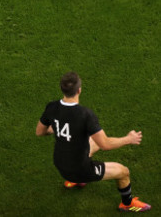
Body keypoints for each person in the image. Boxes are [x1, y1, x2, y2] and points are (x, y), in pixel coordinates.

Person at [36, 72, 151, 212]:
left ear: (62, 89)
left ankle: (74, 181)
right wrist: (129, 139)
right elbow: (106, 144)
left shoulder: (52, 107)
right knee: (123, 172)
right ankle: (127, 204)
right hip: (79, 170)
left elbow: (40, 132)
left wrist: (56, 127)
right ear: (79, 90)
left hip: (60, 162)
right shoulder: (85, 114)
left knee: (93, 142)